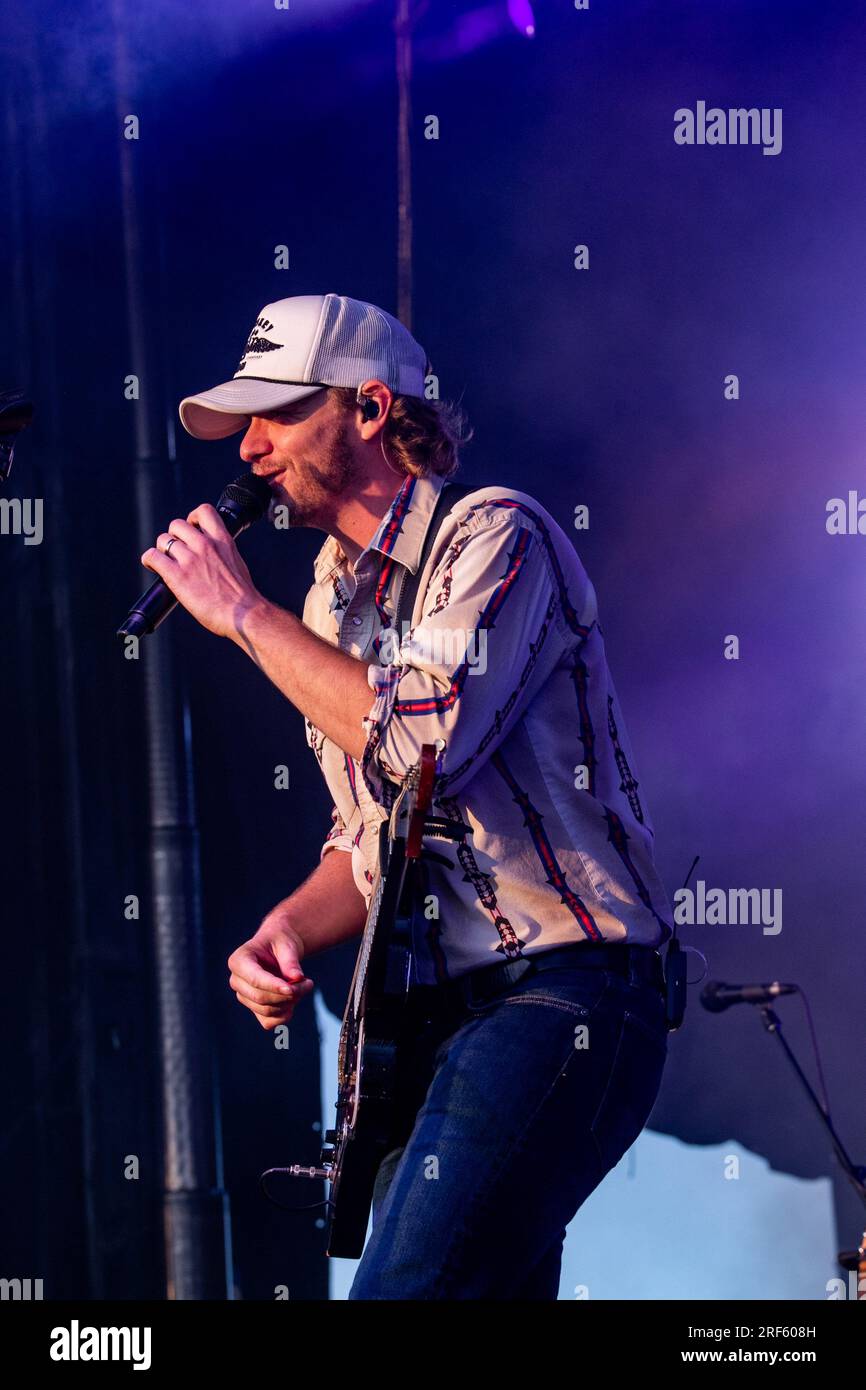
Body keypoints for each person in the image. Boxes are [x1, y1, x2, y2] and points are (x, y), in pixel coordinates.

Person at [142, 292, 674, 1300]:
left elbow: (424, 738)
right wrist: (288, 925)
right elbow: (372, 830)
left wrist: (240, 612)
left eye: (275, 415)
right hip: (436, 1019)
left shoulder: (495, 535)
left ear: (372, 408)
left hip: (564, 991)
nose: (249, 449)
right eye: (241, 425)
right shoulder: (325, 604)